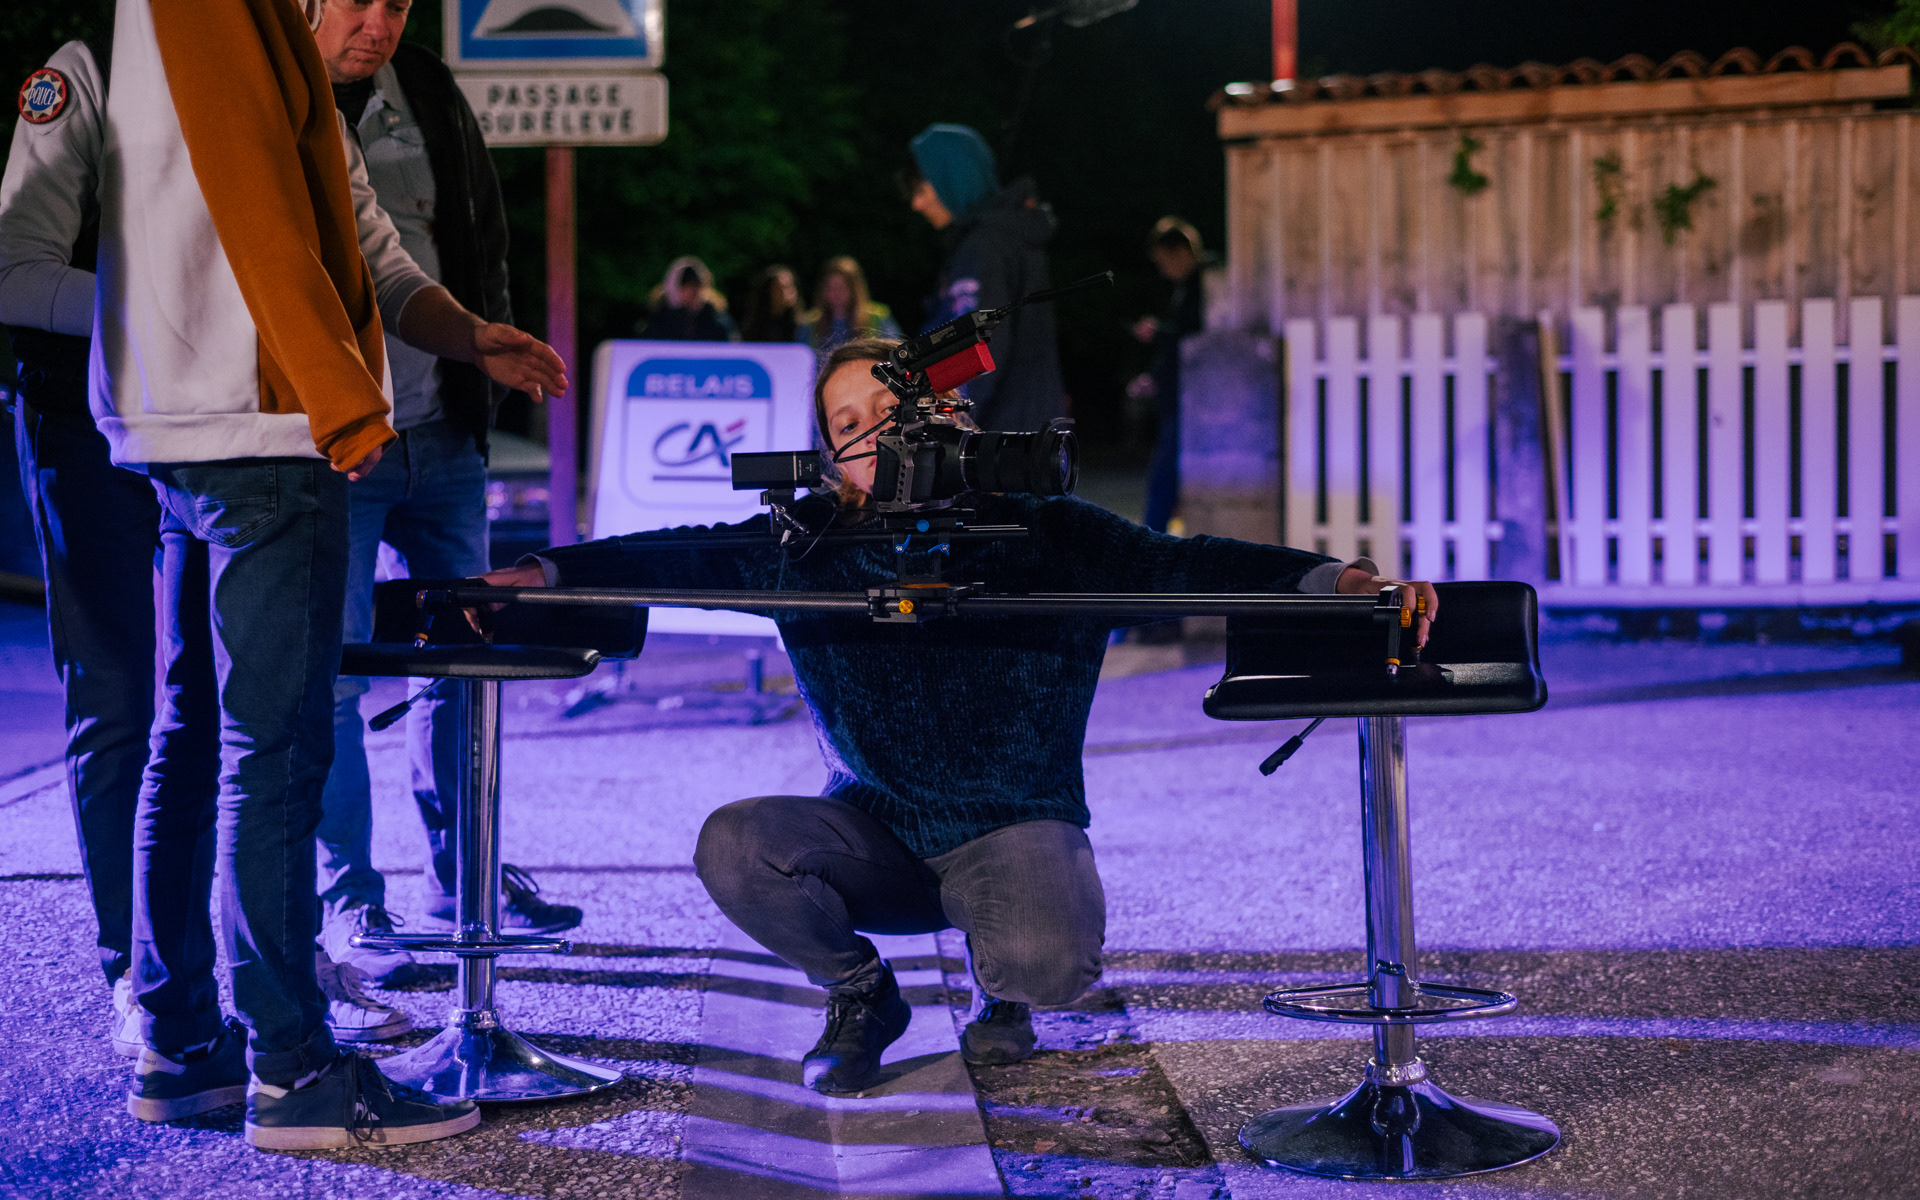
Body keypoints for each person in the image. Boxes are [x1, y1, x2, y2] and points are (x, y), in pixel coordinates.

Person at [480, 338, 1437, 1095]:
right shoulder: (804, 546)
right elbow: (672, 556)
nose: (872, 434)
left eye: (888, 409)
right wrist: (543, 572)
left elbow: (1190, 564)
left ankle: (1001, 989)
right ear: (829, 457)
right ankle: (862, 997)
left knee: (1047, 963)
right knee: (736, 842)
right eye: (846, 422)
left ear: (946, 413)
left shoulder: (1050, 533)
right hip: (873, 836)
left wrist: (1338, 579)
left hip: (1014, 831)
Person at [86, 0, 562, 1149]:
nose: (378, 19)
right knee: (277, 751)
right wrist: (342, 404)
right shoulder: (218, 28)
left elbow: (373, 253)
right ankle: (293, 1069)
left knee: (192, 738)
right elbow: (256, 204)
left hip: (176, 431)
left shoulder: (239, 65)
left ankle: (181, 1045)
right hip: (265, 433)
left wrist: (472, 335)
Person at [2, 24, 436, 1054]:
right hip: (97, 423)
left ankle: (226, 982)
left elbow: (360, 249)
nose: (376, 19)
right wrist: (181, 315)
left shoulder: (275, 62)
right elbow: (14, 269)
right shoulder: (93, 66)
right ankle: (149, 976)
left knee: (220, 721)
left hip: (222, 416)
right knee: (135, 704)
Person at [311, 0, 586, 988]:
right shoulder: (275, 95)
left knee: (463, 669)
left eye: (399, 3)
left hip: (443, 432)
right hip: (335, 447)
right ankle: (350, 907)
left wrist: (485, 367)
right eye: (360, 0)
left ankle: (463, 878)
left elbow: (479, 237)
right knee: (334, 680)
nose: (380, 23)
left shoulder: (425, 84)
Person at [901, 123, 1065, 432]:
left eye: (921, 190)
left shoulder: (984, 247)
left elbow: (979, 349)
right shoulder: (1006, 237)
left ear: (953, 180)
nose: (916, 204)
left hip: (1000, 438)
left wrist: (933, 417)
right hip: (1026, 432)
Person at [1128, 218, 1208, 535]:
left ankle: (1151, 538)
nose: (1163, 271)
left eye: (1163, 262)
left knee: (1165, 475)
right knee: (1167, 474)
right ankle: (1155, 534)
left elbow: (1194, 339)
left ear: (1180, 252)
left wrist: (1158, 333)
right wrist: (1154, 376)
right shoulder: (1189, 287)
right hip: (1179, 394)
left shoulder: (1202, 287)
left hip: (1188, 399)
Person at [799, 255, 900, 358]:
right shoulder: (809, 323)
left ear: (855, 289)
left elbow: (895, 352)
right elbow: (800, 358)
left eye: (841, 287)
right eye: (830, 287)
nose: (836, 293)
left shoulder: (878, 317)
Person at [642, 256, 738, 341]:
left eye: (696, 284)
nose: (692, 290)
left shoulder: (719, 321)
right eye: (685, 284)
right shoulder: (659, 321)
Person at [739, 263, 802, 343]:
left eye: (792, 285)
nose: (791, 291)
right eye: (783, 287)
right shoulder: (755, 327)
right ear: (769, 291)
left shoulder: (801, 327)